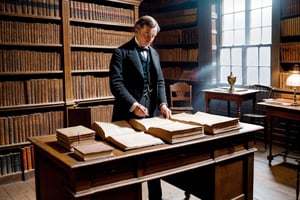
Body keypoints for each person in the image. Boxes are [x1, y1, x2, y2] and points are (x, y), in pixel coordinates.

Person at [109, 15, 172, 200]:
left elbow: (160, 82)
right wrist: (133, 104)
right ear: (136, 30)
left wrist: (163, 103)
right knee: (129, 166)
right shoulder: (120, 53)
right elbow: (116, 84)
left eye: (153, 36)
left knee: (154, 164)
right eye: (146, 35)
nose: (149, 40)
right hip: (127, 116)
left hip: (152, 116)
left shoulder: (154, 53)